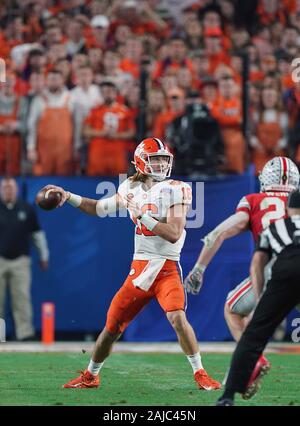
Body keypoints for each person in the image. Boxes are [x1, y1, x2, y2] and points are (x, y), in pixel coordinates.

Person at [44, 137, 221, 390]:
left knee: (177, 318)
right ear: (140, 162)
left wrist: (142, 216)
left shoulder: (177, 188)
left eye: (163, 159)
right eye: (155, 159)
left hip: (166, 267)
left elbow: (173, 232)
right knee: (111, 328)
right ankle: (91, 376)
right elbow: (99, 208)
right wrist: (68, 195)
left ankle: (200, 373)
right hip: (139, 270)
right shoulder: (129, 187)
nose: (160, 164)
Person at [184, 156, 299, 384]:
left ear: (265, 178)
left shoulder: (254, 200)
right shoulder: (296, 202)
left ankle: (253, 358)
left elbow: (219, 233)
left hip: (275, 269)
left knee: (232, 309)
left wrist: (199, 268)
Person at [217, 187, 300, 405]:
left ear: (289, 209)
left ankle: (228, 396)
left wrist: (261, 296)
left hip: (284, 276)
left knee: (252, 337)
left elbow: (257, 263)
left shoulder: (275, 227)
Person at [0, 177, 49, 340]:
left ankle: (24, 334)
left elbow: (37, 235)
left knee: (22, 298)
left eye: (11, 188)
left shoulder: (27, 208)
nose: (8, 190)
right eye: (5, 188)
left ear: (17, 190)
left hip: (21, 261)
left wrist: (44, 255)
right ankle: (0, 335)